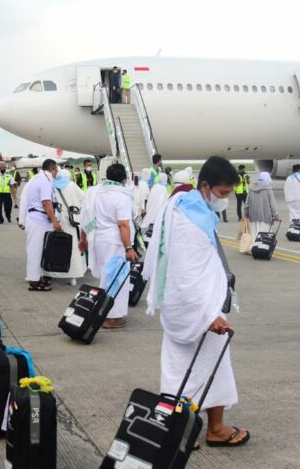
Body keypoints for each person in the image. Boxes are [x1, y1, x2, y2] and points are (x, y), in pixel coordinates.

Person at [143, 156, 249, 448]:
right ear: (205, 186)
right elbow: (187, 273)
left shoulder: (185, 208)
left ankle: (177, 432)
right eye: (223, 193)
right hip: (197, 309)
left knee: (177, 368)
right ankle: (214, 429)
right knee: (214, 364)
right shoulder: (190, 220)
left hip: (181, 306)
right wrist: (207, 315)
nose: (224, 200)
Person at [79, 163, 136, 328]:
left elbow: (88, 218)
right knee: (116, 279)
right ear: (124, 178)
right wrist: (129, 248)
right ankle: (110, 317)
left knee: (107, 277)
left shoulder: (96, 192)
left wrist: (83, 238)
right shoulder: (122, 196)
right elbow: (123, 225)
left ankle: (106, 313)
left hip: (99, 239)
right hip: (115, 242)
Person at [22, 159, 61, 291]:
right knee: (35, 251)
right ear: (52, 169)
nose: (57, 173)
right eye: (57, 170)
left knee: (38, 251)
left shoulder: (38, 179)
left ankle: (37, 278)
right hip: (37, 220)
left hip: (37, 219)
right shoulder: (45, 181)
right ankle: (34, 281)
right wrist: (55, 221)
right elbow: (46, 202)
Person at [48, 168, 88, 285]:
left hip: (58, 220)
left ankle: (55, 272)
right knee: (74, 248)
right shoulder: (71, 185)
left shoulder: (52, 186)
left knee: (57, 246)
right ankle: (73, 277)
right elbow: (84, 199)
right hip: (73, 221)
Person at [244, 172, 279, 238]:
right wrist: (276, 215)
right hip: (265, 217)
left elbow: (247, 204)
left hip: (253, 217)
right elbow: (273, 205)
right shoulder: (268, 190)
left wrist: (246, 214)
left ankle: (254, 247)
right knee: (264, 237)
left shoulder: (251, 189)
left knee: (254, 235)